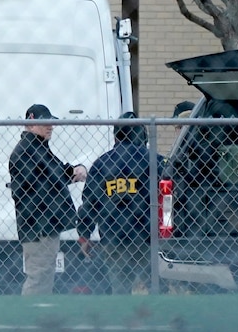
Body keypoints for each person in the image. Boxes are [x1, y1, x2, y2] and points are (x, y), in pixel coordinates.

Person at [77, 112, 161, 294]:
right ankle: (153, 318)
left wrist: (84, 234)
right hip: (148, 237)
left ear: (116, 136)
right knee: (154, 287)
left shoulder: (102, 164)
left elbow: (91, 202)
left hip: (113, 238)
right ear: (144, 135)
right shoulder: (156, 161)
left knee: (120, 289)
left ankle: (123, 320)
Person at [9, 104, 87, 295]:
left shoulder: (39, 147)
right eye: (45, 122)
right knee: (39, 277)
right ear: (31, 123)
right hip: (38, 226)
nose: (50, 126)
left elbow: (54, 172)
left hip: (45, 224)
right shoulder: (27, 150)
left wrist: (71, 172)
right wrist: (71, 172)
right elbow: (49, 178)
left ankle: (39, 316)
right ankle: (31, 318)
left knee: (45, 276)